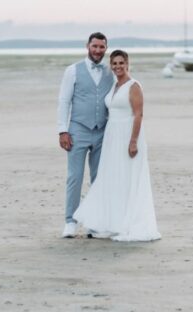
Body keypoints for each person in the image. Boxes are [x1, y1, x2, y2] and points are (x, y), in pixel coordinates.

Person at [73, 49, 161, 242]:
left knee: (128, 178)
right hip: (112, 137)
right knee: (113, 178)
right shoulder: (113, 86)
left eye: (121, 63)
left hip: (128, 135)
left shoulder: (134, 86)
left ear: (127, 64)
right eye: (114, 63)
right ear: (111, 66)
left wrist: (133, 141)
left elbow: (138, 114)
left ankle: (128, 223)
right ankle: (112, 222)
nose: (118, 67)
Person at [57, 32, 114, 238]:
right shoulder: (72, 71)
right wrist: (63, 130)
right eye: (95, 46)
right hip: (78, 130)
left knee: (98, 179)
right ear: (87, 46)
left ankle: (94, 221)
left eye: (101, 47)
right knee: (75, 177)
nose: (98, 50)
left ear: (106, 48)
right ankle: (70, 221)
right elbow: (64, 101)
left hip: (102, 132)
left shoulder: (111, 72)